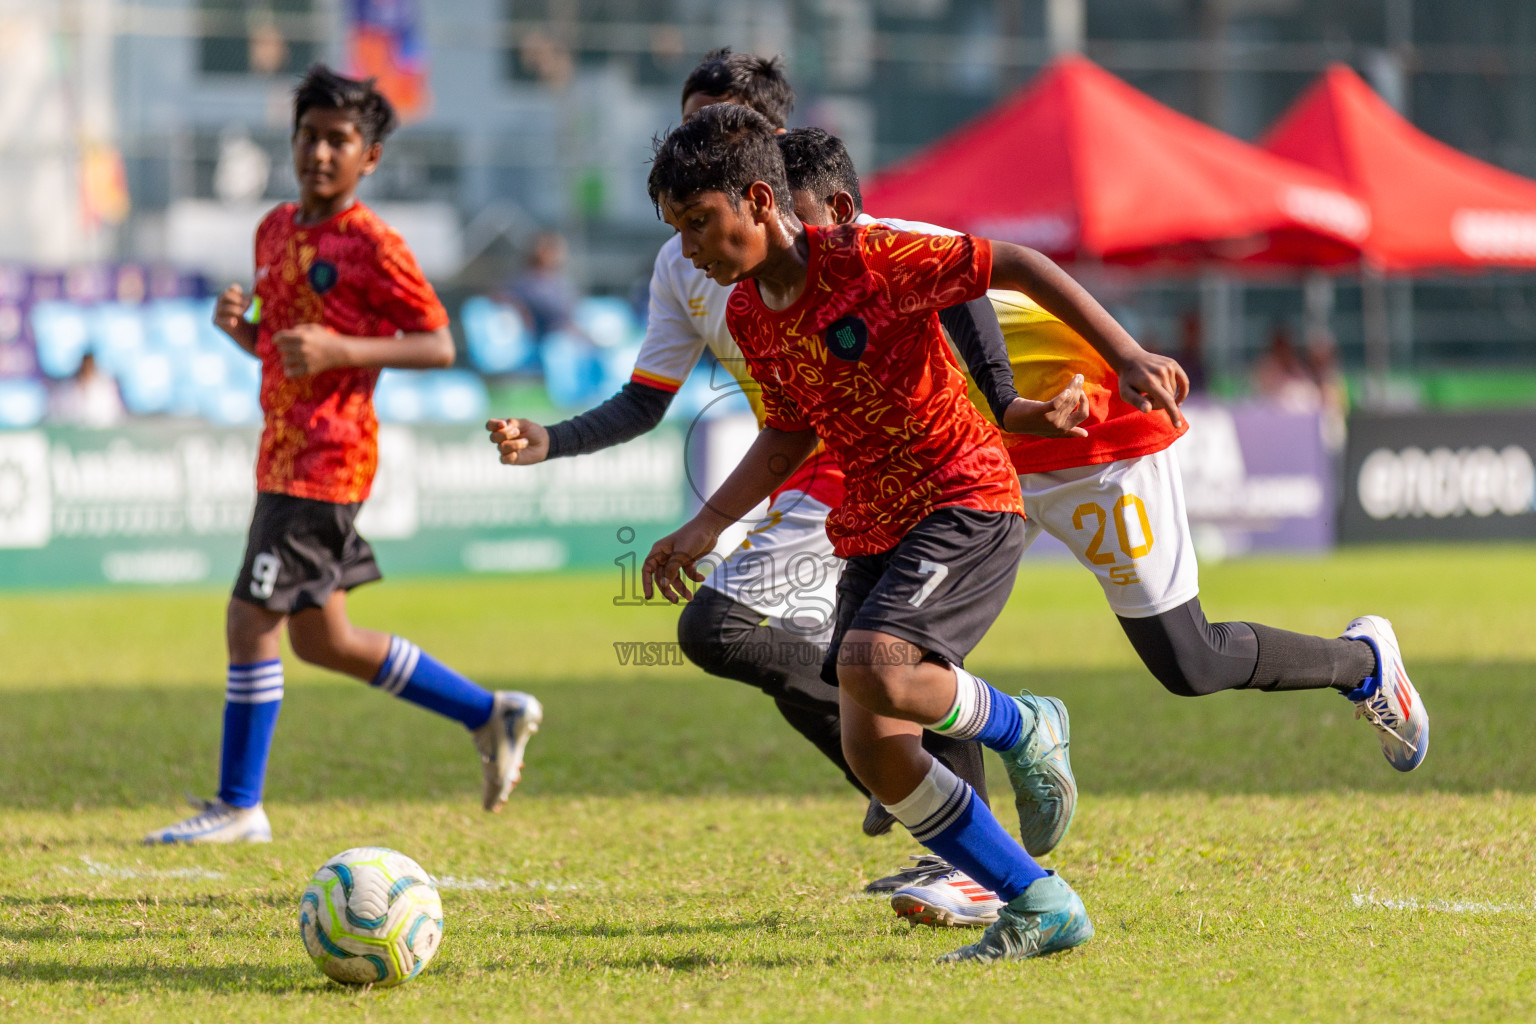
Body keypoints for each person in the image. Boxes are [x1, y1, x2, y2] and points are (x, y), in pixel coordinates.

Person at [777, 126, 1428, 924]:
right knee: (913, 645)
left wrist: (1109, 363)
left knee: (1190, 661)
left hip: (1094, 441)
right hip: (978, 468)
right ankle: (974, 869)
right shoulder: (774, 286)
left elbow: (988, 282)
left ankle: (1362, 663)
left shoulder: (897, 249)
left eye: (793, 216)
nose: (781, 237)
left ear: (833, 208)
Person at [634, 103, 1197, 963]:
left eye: (700, 224)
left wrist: (1124, 355)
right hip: (873, 524)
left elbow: (1016, 264)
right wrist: (705, 525)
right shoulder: (750, 313)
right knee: (875, 749)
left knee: (878, 670)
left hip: (963, 498)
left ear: (756, 199)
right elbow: (787, 432)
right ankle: (1039, 903)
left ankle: (1023, 724)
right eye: (677, 232)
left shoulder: (870, 258)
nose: (691, 250)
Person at [486, 50, 1015, 872]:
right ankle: (921, 799)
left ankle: (949, 825)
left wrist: (1007, 399)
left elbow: (967, 270)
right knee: (853, 662)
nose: (701, 141)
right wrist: (556, 439)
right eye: (691, 124)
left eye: (718, 126)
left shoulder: (827, 227)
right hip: (798, 461)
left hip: (883, 458)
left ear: (765, 146)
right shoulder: (683, 258)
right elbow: (647, 397)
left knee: (783, 639)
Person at [145, 65, 541, 845]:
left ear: (371, 158)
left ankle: (238, 805)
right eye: (309, 135)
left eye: (339, 140)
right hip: (282, 454)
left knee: (248, 619)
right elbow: (284, 351)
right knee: (321, 638)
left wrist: (340, 349)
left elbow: (437, 341)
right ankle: (488, 713)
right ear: (292, 142)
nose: (320, 151)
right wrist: (243, 334)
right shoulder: (272, 229)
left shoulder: (373, 244)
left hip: (327, 459)